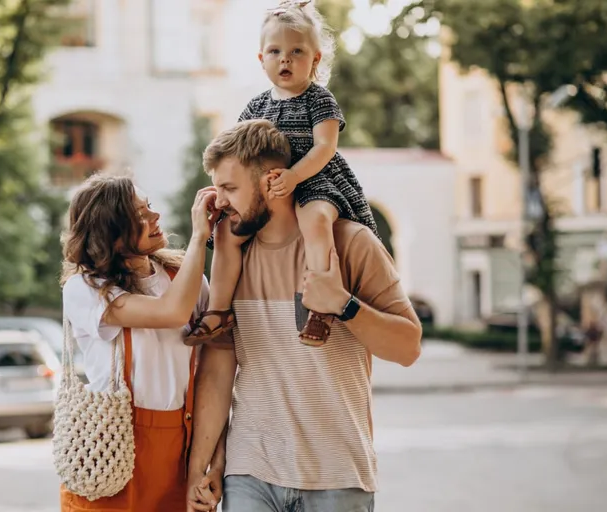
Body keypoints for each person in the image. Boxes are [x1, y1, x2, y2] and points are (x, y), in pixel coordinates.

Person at [186, 119, 422, 512]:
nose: (219, 201)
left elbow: (408, 348)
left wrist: (344, 305)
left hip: (337, 477)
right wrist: (201, 467)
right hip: (250, 474)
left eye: (229, 188)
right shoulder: (231, 259)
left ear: (271, 182)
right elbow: (217, 371)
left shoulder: (351, 243)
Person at [188, 0, 379, 347]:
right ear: (262, 60)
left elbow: (325, 148)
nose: (285, 59)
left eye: (296, 51)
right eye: (275, 51)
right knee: (228, 234)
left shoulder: (319, 100)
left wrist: (293, 175)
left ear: (315, 59)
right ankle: (218, 310)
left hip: (313, 179)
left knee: (317, 224)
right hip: (266, 188)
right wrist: (227, 191)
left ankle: (320, 306)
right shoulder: (256, 106)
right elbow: (236, 154)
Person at [59, 175, 225, 511]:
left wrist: (215, 463)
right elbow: (171, 312)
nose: (155, 217)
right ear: (112, 235)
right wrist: (199, 237)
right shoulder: (85, 289)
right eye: (140, 215)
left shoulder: (185, 278)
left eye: (149, 207)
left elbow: (213, 376)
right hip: (111, 450)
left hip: (180, 447)